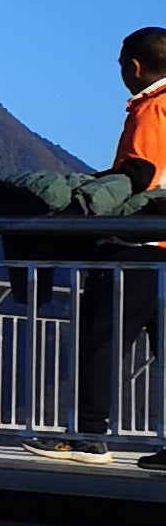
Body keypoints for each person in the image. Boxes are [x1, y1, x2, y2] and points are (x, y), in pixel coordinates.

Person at [76, 25, 166, 461]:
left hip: (138, 246)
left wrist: (90, 194)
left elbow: (140, 173)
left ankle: (89, 435)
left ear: (134, 66)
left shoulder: (151, 109)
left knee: (102, 336)